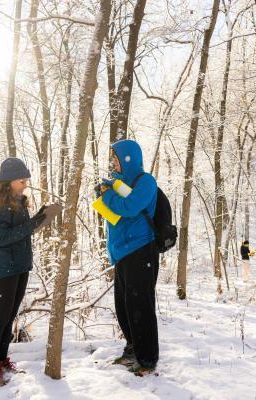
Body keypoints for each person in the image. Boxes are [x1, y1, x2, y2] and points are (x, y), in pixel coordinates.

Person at [0, 157, 46, 388]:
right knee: (1, 316)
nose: (26, 182)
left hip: (19, 265)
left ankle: (1, 362)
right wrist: (30, 225)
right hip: (3, 267)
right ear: (9, 181)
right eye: (22, 179)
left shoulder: (18, 201)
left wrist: (39, 218)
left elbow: (20, 232)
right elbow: (0, 238)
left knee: (10, 316)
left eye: (26, 178)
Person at [97, 139, 159, 376]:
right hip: (122, 253)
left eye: (116, 158)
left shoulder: (146, 182)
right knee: (124, 306)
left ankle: (147, 359)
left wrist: (107, 197)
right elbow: (115, 214)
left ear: (128, 158)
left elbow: (130, 207)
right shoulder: (117, 184)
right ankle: (133, 349)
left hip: (141, 250)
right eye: (113, 158)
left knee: (140, 306)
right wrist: (106, 192)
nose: (113, 162)